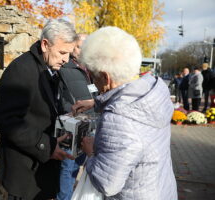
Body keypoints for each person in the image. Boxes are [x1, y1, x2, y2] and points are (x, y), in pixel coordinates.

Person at [72, 26, 177, 199]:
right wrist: (95, 102)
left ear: (105, 77)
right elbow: (123, 97)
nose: (92, 81)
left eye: (92, 76)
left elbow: (108, 184)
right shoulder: (155, 91)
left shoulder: (118, 119)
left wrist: (90, 152)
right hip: (161, 189)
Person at [0, 19, 77, 200]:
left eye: (69, 54)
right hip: (24, 173)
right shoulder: (21, 69)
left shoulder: (48, 66)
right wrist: (46, 145)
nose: (66, 59)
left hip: (40, 169)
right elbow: (6, 120)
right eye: (62, 52)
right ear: (45, 44)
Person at [57, 34, 94, 200]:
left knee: (78, 166)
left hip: (90, 126)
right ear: (73, 48)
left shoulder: (91, 69)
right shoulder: (64, 68)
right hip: (72, 127)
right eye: (79, 46)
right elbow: (60, 97)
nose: (82, 50)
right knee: (67, 167)